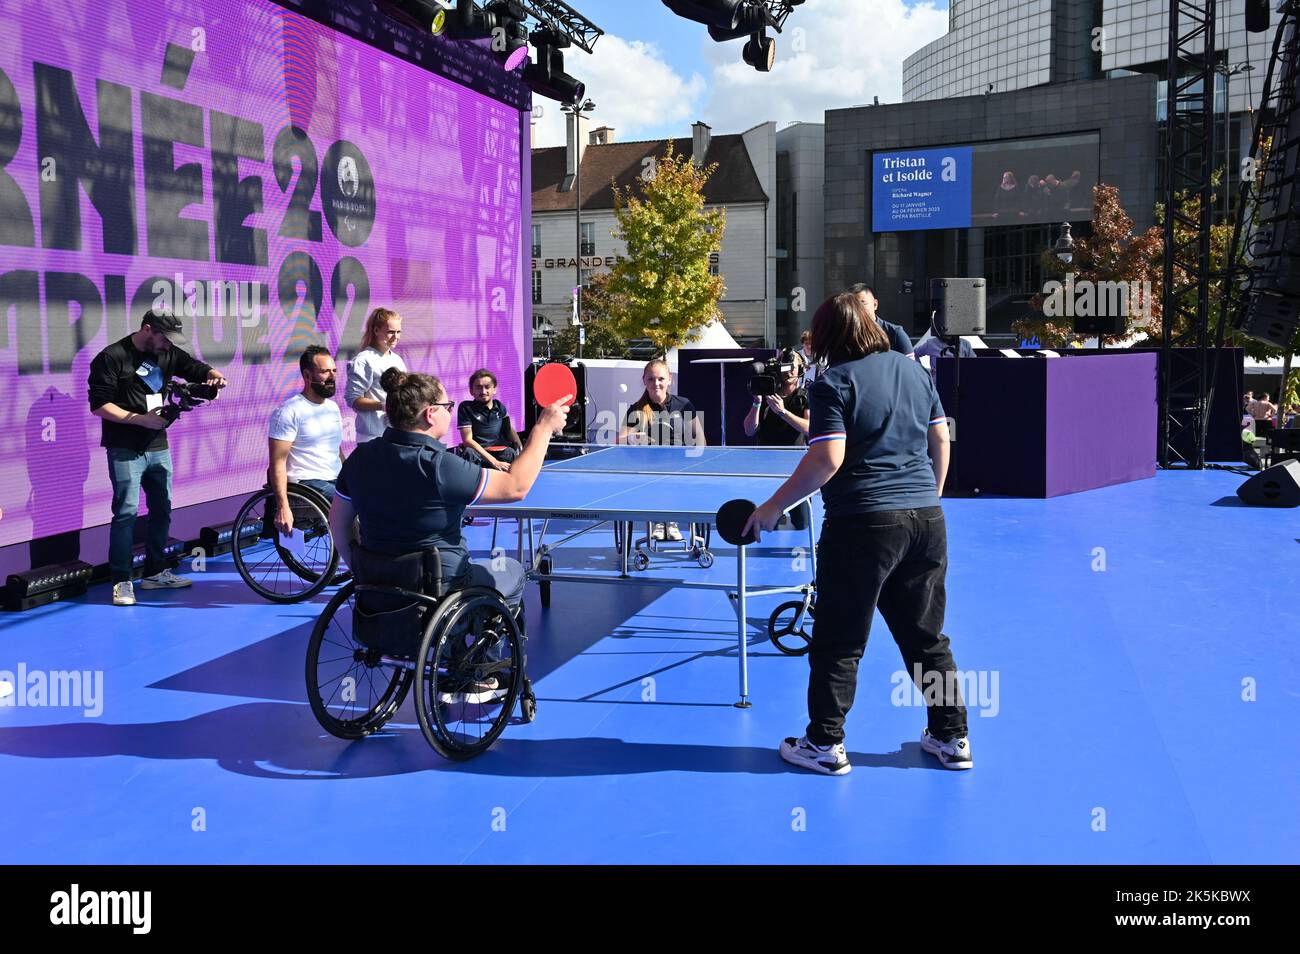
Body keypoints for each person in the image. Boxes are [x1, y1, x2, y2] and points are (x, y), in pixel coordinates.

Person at [743, 292, 969, 776]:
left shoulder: (834, 383)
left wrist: (771, 507)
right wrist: (931, 495)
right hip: (926, 520)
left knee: (839, 638)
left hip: (863, 524)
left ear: (830, 337)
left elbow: (827, 458)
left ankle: (824, 743)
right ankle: (951, 737)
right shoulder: (916, 372)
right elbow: (941, 438)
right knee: (926, 637)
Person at [328, 369, 570, 695]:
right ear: (431, 414)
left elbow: (338, 523)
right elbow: (516, 486)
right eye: (448, 406)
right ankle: (479, 670)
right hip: (442, 583)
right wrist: (542, 428)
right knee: (511, 571)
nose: (450, 411)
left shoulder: (360, 459)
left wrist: (361, 569)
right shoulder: (439, 465)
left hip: (378, 585)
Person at [88, 310, 229, 606]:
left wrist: (213, 376)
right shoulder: (112, 357)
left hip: (158, 446)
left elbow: (194, 367)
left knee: (162, 509)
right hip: (125, 447)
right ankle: (122, 581)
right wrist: (139, 419)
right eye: (165, 337)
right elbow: (99, 404)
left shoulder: (167, 352)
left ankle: (155, 571)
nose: (168, 345)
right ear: (148, 329)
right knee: (126, 513)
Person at [619, 358, 706, 541]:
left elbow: (700, 439)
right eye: (651, 379)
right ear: (644, 380)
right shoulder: (637, 409)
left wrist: (694, 462)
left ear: (669, 380)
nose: (656, 383)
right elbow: (619, 440)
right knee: (658, 475)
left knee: (672, 475)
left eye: (660, 378)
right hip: (649, 470)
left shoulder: (684, 405)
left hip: (682, 469)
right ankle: (661, 521)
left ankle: (670, 520)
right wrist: (635, 438)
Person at [268, 346, 345, 536]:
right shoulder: (289, 411)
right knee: (357, 506)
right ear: (308, 376)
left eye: (334, 370)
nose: (332, 376)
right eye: (325, 371)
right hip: (306, 483)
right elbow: (277, 462)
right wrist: (282, 507)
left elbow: (337, 449)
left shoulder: (333, 407)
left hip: (334, 478)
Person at [345, 308, 406, 443]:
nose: (396, 336)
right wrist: (384, 406)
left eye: (398, 332)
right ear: (376, 330)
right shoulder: (364, 360)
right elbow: (352, 399)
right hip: (372, 437)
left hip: (396, 434)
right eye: (390, 332)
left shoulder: (397, 360)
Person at [457, 368, 523, 471]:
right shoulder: (465, 407)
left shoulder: (500, 407)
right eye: (478, 387)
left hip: (497, 452)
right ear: (471, 391)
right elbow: (467, 440)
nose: (483, 391)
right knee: (468, 453)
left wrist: (521, 450)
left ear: (494, 389)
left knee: (510, 452)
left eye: (487, 387)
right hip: (477, 453)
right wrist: (494, 462)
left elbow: (509, 430)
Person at [743, 348, 810, 446]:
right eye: (784, 367)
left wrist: (782, 412)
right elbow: (749, 431)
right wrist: (757, 402)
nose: (788, 372)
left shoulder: (805, 396)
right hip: (764, 455)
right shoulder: (767, 393)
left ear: (800, 369)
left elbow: (809, 429)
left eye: (792, 367)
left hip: (793, 456)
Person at [848, 283, 913, 355]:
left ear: (875, 304)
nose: (858, 309)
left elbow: (909, 364)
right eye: (853, 305)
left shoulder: (896, 334)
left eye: (863, 303)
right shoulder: (845, 334)